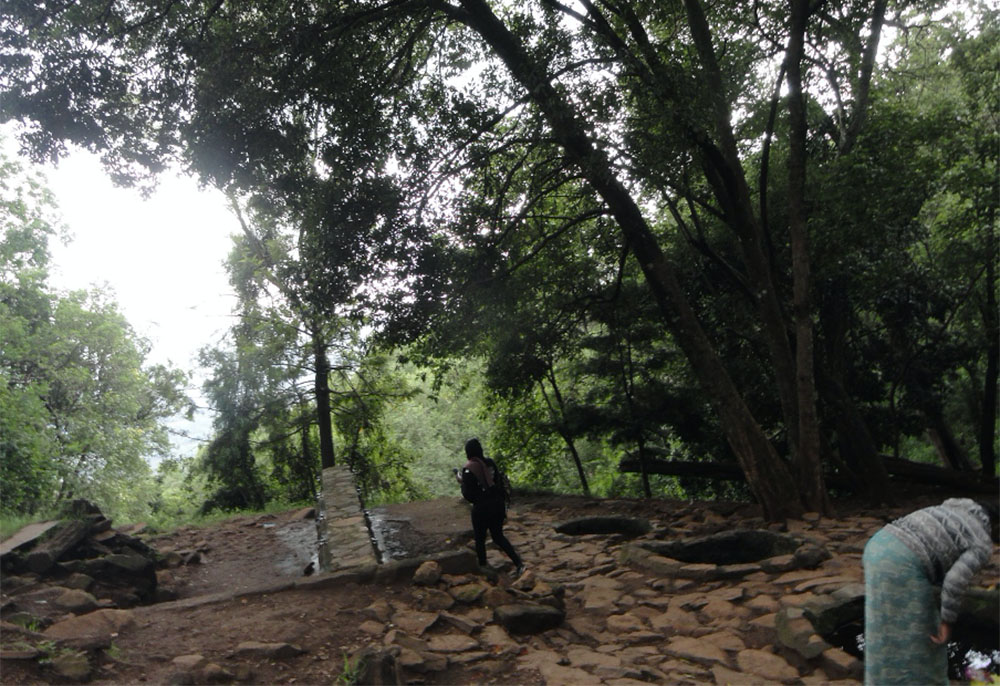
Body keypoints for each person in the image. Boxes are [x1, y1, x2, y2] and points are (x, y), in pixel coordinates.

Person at [862, 497, 997, 685]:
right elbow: (954, 582)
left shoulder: (952, 509)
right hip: (903, 562)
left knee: (884, 629)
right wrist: (947, 621)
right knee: (923, 640)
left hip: (877, 545)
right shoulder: (981, 542)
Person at [455, 438, 524, 577]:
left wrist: (462, 484)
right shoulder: (490, 463)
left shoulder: (468, 469)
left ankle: (483, 569)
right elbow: (496, 481)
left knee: (480, 539)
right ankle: (519, 564)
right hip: (498, 505)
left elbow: (468, 494)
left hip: (482, 509)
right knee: (498, 536)